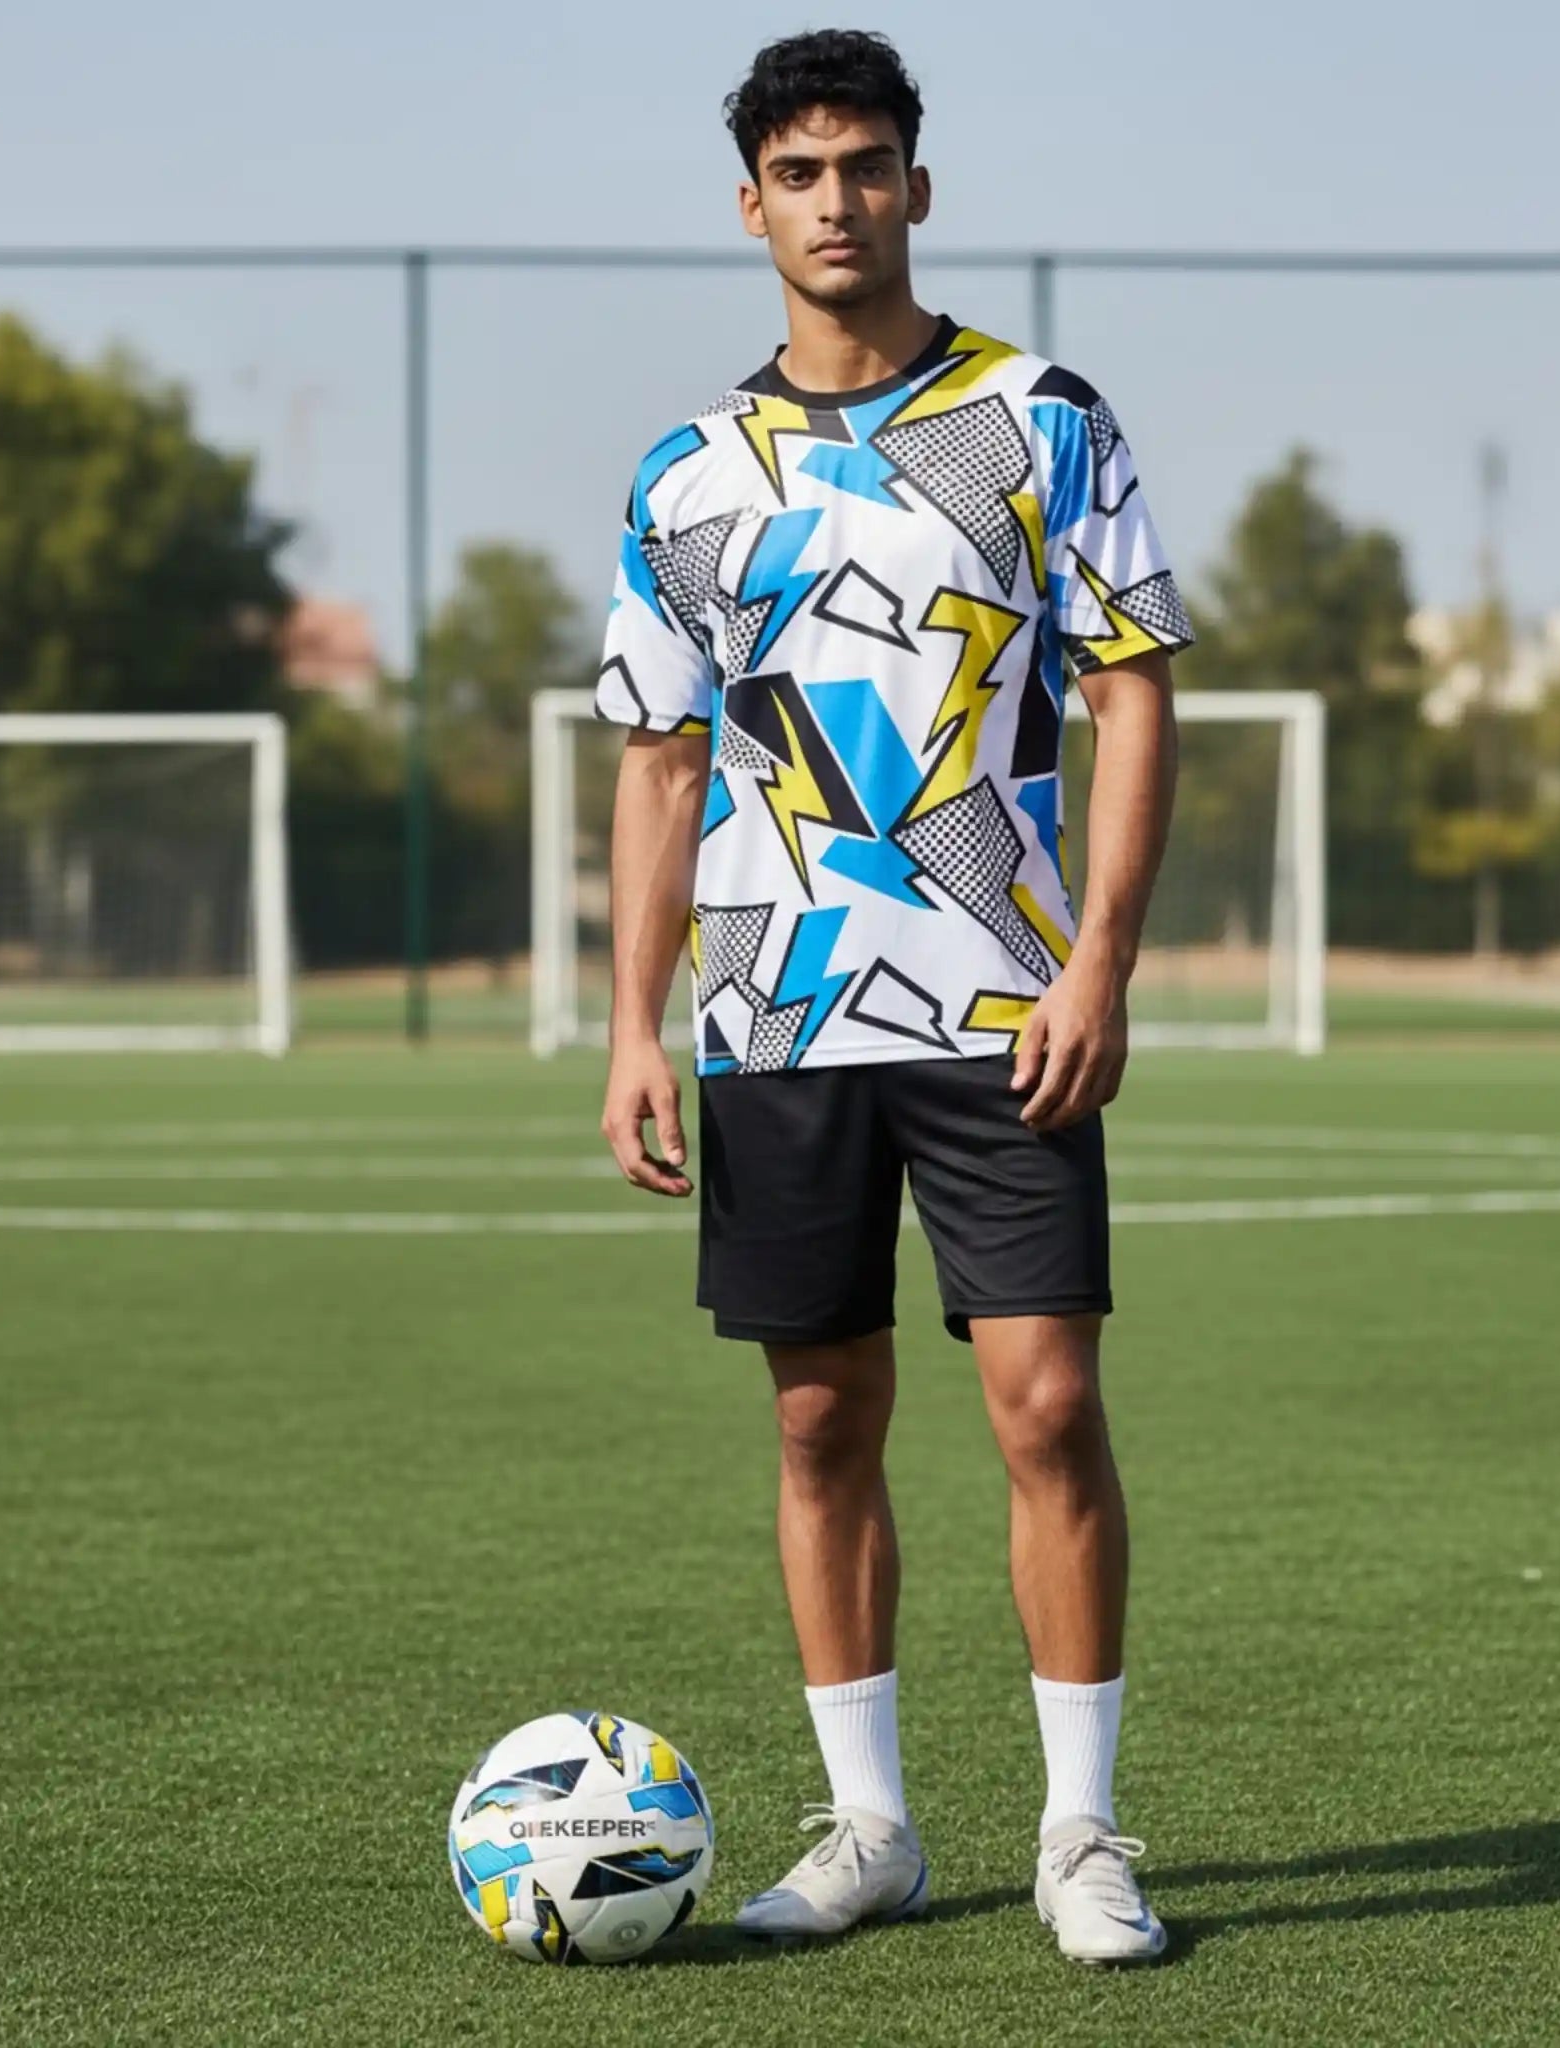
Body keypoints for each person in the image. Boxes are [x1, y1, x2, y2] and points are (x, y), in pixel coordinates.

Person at [595, 27, 1192, 1966]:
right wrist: (629, 1027)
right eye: (799, 172)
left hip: (1000, 999)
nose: (835, 200)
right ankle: (869, 1829)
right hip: (772, 1012)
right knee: (816, 1424)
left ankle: (1081, 1836)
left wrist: (1097, 957)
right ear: (750, 203)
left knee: (1044, 1404)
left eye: (865, 166)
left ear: (915, 188)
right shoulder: (687, 475)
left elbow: (1128, 689)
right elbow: (659, 763)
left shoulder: (1038, 419)